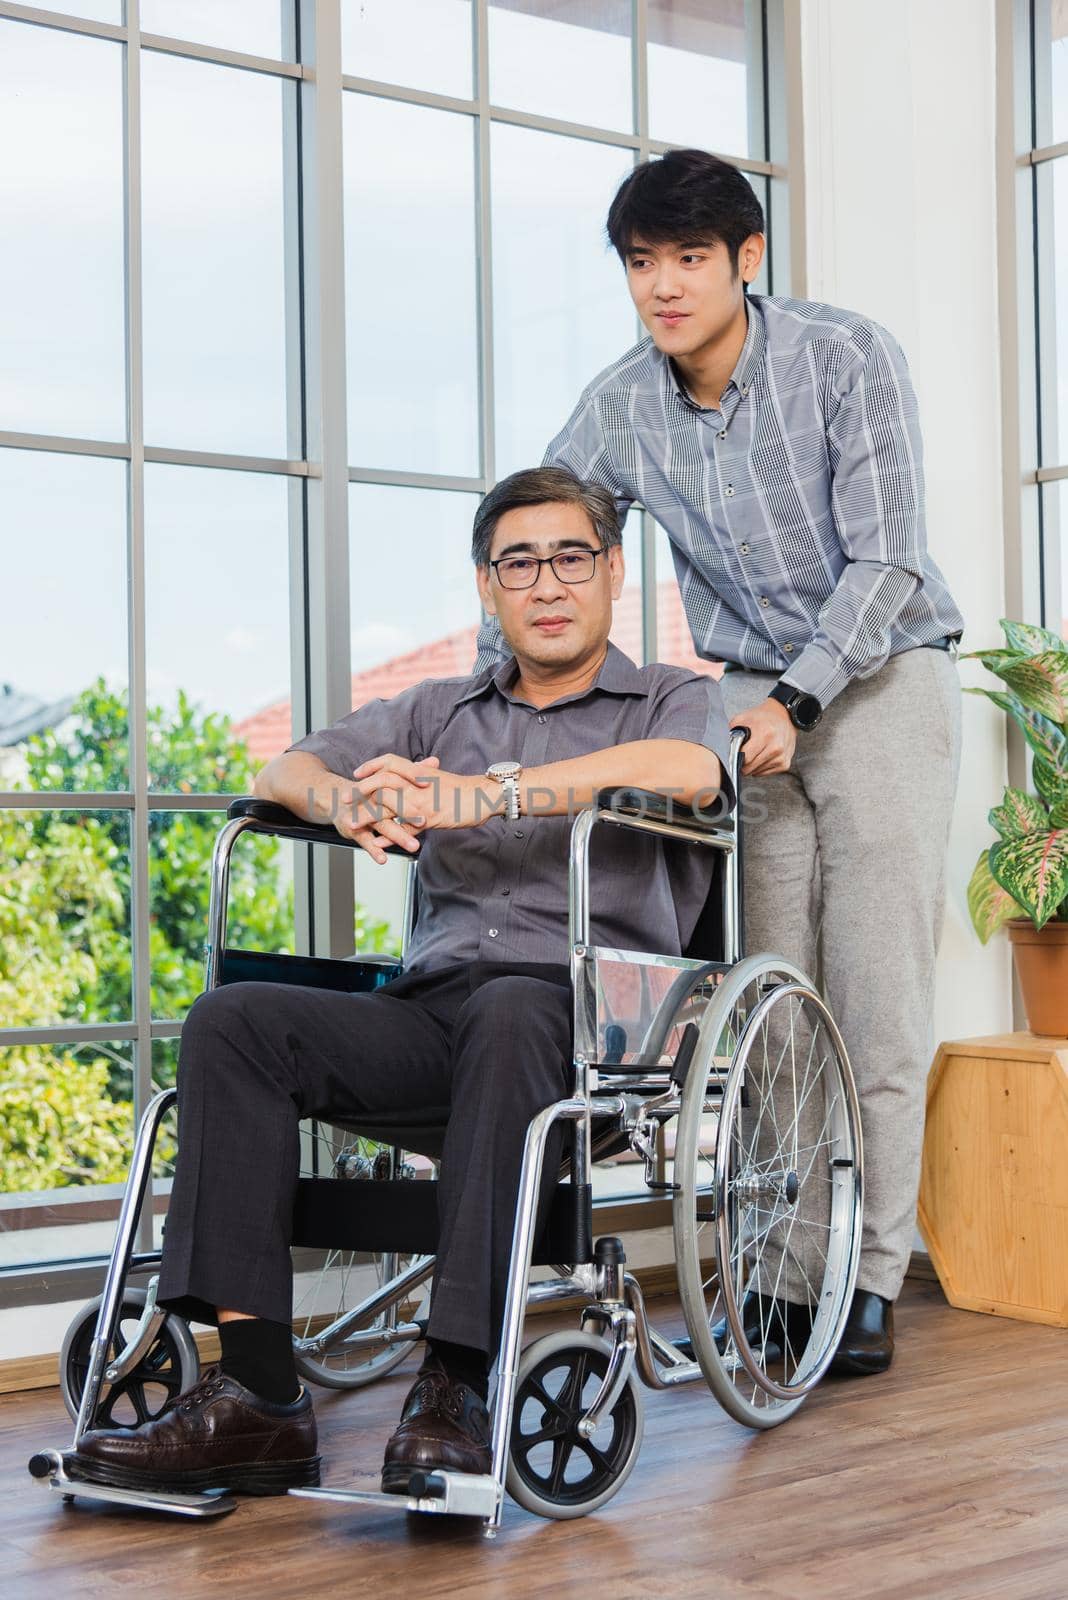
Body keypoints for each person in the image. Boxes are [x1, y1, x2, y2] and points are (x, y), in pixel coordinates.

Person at [68, 466, 733, 1499]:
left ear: (608, 573)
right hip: (434, 1015)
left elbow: (696, 774)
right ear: (488, 587)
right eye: (520, 563)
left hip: (586, 1029)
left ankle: (456, 1379)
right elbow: (286, 768)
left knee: (514, 1006)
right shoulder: (442, 708)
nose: (547, 584)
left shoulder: (667, 696)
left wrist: (495, 794)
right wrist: (344, 804)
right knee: (231, 1021)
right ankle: (258, 1397)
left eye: (570, 558)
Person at [476, 150, 964, 1376]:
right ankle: (786, 1272)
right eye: (643, 263)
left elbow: (890, 556)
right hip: (747, 705)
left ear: (747, 261)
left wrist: (804, 692)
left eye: (690, 259)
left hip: (882, 676)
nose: (665, 287)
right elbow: (551, 532)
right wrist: (505, 689)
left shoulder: (847, 356)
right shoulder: (623, 403)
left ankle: (867, 1276)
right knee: (766, 1007)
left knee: (874, 998)